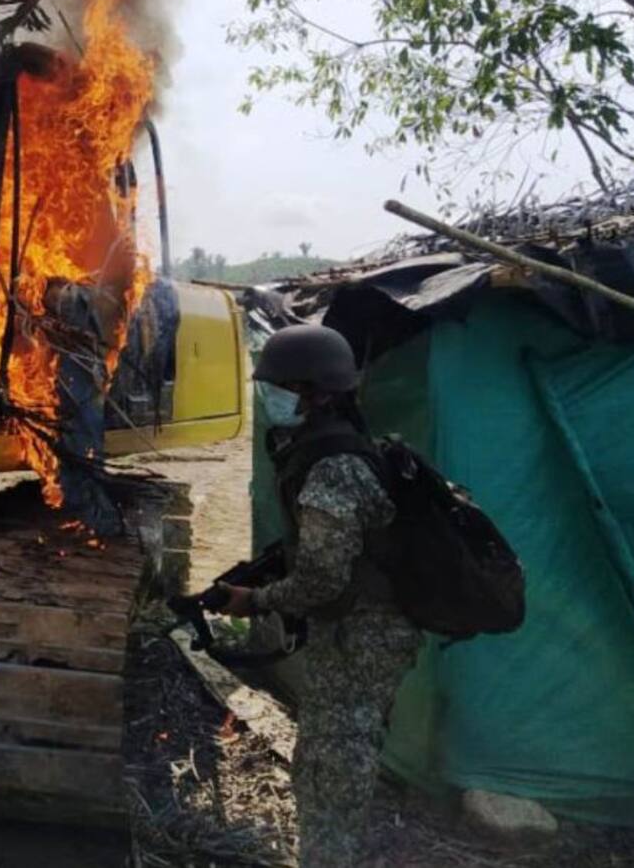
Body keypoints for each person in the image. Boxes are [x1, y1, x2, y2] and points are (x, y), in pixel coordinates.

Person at [216, 324, 423, 868]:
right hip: (359, 631)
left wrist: (254, 602)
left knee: (334, 764)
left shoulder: (333, 465)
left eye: (279, 386)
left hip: (367, 636)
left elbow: (323, 580)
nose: (270, 396)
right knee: (330, 754)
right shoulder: (327, 449)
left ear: (315, 392)